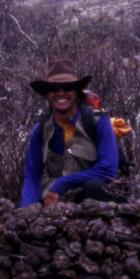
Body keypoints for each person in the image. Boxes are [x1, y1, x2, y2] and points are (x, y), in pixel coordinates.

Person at [21, 59, 118, 207]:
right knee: (17, 210)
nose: (61, 93)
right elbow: (32, 176)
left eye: (67, 88)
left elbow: (108, 170)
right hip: (56, 201)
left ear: (76, 92)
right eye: (54, 89)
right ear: (48, 94)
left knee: (95, 187)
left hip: (89, 200)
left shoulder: (98, 122)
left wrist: (62, 183)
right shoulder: (41, 130)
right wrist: (27, 211)